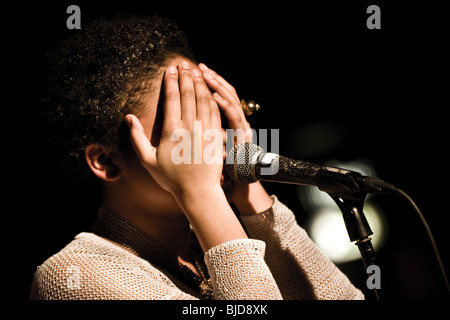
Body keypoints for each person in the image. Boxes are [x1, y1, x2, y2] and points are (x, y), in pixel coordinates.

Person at [30, 15, 364, 300]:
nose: (213, 139)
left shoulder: (207, 248)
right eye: (185, 123)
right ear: (107, 162)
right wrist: (203, 195)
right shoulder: (72, 274)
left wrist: (250, 191)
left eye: (212, 113)